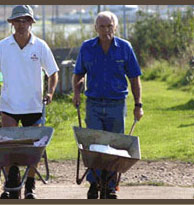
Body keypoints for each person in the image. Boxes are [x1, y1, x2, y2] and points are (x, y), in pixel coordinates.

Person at [0, 5, 59, 199]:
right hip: (9, 105)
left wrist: (50, 93)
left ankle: (30, 186)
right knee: (8, 146)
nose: (21, 24)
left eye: (25, 20)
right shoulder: (2, 46)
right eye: (18, 20)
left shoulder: (40, 46)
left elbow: (53, 73)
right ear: (12, 23)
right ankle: (11, 181)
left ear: (31, 23)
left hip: (34, 105)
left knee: (34, 150)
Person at [72, 11, 143, 199]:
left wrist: (138, 104)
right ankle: (94, 183)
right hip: (94, 104)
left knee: (114, 146)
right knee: (94, 145)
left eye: (109, 26)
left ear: (115, 27)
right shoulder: (87, 48)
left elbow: (134, 78)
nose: (106, 30)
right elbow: (79, 74)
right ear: (96, 28)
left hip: (116, 104)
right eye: (102, 26)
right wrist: (76, 93)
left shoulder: (125, 48)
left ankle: (110, 186)